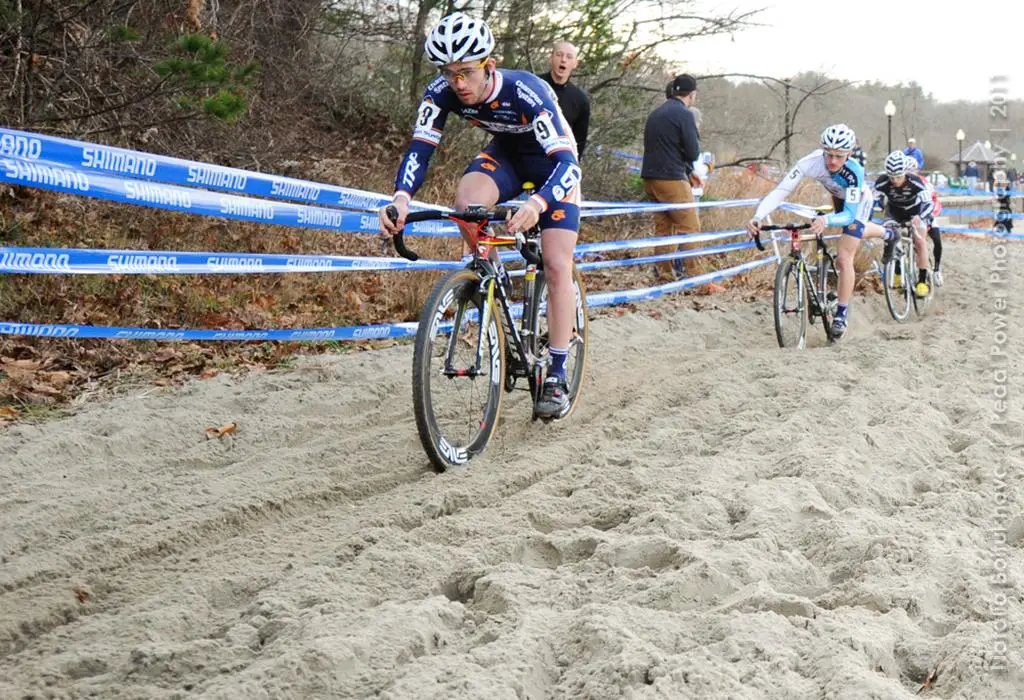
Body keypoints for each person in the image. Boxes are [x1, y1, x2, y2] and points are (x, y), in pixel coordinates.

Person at [379, 12, 582, 419]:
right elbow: (421, 146)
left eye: (467, 73)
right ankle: (491, 276)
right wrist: (401, 198)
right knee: (467, 202)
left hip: (553, 164)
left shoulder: (527, 92)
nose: (458, 83)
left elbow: (570, 167)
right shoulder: (442, 91)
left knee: (558, 263)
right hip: (506, 154)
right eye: (449, 73)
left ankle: (557, 373)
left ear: (489, 66)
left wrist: (538, 204)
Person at [746, 124, 898, 340]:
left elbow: (848, 215)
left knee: (846, 253)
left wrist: (827, 219)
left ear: (849, 153)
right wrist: (758, 216)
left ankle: (842, 313)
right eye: (829, 155)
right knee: (830, 234)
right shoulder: (810, 163)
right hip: (836, 196)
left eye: (838, 156)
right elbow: (780, 191)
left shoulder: (854, 171)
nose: (832, 161)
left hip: (858, 202)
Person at [640, 73, 701, 280]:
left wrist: (689, 172)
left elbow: (663, 148)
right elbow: (693, 152)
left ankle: (663, 275)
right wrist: (689, 166)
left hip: (650, 178)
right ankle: (693, 277)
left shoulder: (656, 114)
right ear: (691, 95)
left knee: (664, 228)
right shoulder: (685, 115)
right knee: (691, 227)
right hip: (672, 179)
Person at [873, 151, 935, 297]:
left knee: (919, 241)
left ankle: (921, 281)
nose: (894, 180)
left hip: (916, 212)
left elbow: (929, 204)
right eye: (891, 177)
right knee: (890, 235)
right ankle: (896, 271)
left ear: (905, 173)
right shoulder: (882, 182)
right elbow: (871, 200)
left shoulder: (916, 182)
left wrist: (920, 217)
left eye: (898, 176)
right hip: (894, 212)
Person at [538, 41, 591, 158]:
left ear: (575, 63)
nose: (563, 60)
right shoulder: (534, 84)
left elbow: (579, 141)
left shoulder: (580, 100)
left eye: (569, 57)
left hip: (556, 160)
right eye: (559, 55)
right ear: (551, 58)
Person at [903, 156, 945, 286]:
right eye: (906, 170)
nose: (909, 173)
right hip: (911, 216)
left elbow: (935, 201)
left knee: (937, 241)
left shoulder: (925, 183)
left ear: (916, 170)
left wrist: (930, 215)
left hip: (927, 214)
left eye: (912, 170)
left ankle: (937, 269)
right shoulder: (900, 183)